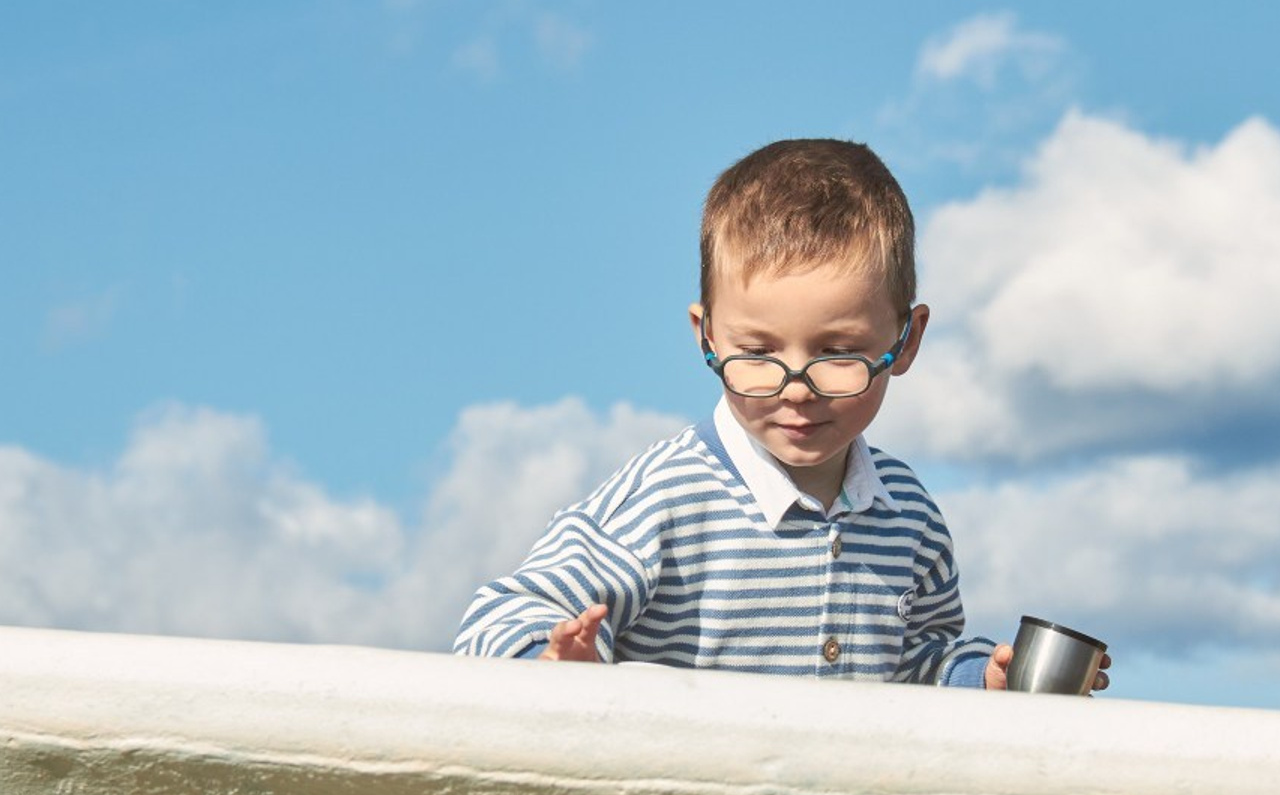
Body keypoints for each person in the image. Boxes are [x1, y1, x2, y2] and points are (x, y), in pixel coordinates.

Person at [454, 138, 1109, 693]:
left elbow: (921, 665)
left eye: (837, 352)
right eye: (759, 352)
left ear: (904, 342)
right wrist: (554, 662)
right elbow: (501, 612)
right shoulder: (669, 497)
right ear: (706, 336)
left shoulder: (908, 514)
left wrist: (985, 679)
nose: (796, 389)